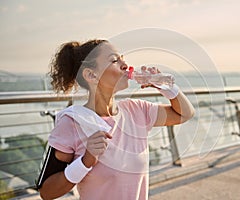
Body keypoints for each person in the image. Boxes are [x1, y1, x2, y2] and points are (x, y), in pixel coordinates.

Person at [38, 39, 194, 200]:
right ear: (91, 75)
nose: (125, 64)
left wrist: (166, 87)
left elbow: (185, 114)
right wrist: (85, 161)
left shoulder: (137, 110)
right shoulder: (71, 122)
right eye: (114, 60)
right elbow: (47, 192)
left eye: (122, 58)